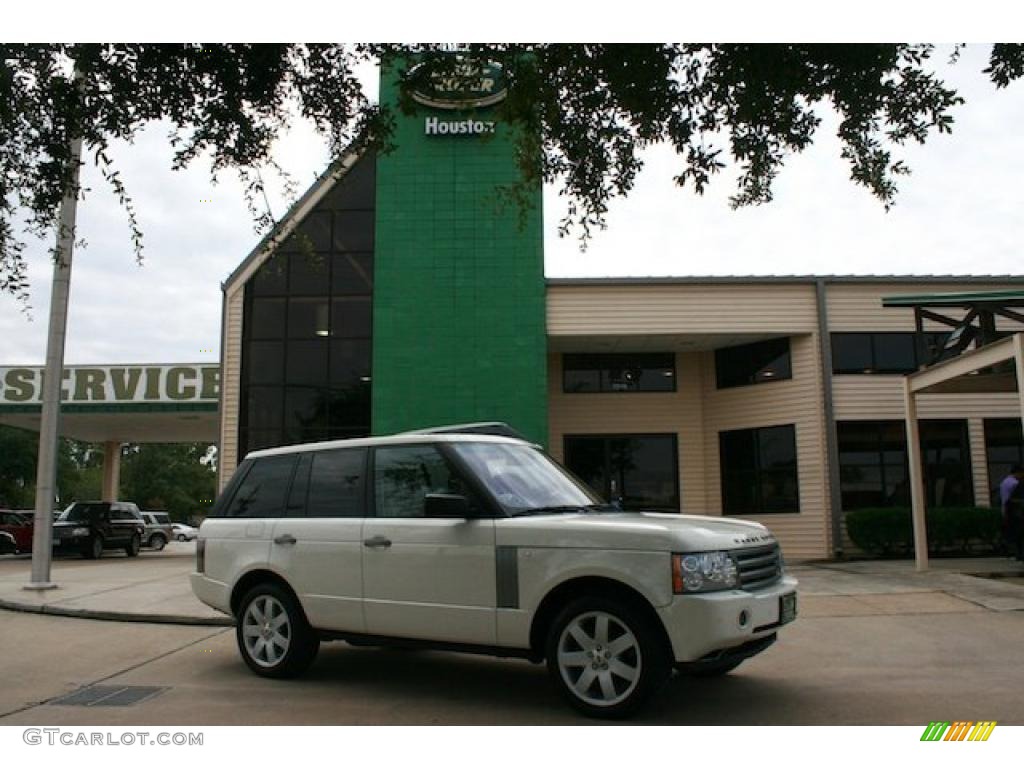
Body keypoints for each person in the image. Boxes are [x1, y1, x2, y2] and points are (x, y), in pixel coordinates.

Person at [999, 465, 1024, 560]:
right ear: (1018, 473)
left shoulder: (1004, 482)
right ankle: (1019, 553)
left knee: (1012, 532)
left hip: (1007, 509)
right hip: (1014, 511)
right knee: (1019, 533)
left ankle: (1015, 553)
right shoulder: (1015, 483)